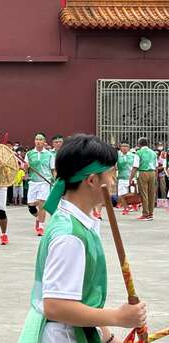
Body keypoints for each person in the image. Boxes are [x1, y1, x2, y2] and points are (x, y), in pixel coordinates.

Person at [18, 134, 146, 343]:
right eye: (111, 174)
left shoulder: (78, 224)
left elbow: (82, 297)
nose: (113, 181)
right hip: (64, 336)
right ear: (92, 180)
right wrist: (118, 316)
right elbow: (56, 306)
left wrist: (108, 336)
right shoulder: (69, 236)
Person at [25, 133, 55, 236]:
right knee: (31, 206)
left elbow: (52, 170)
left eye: (40, 139)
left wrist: (54, 180)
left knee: (42, 204)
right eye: (36, 139)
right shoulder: (29, 154)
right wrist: (26, 167)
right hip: (33, 182)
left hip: (44, 182)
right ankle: (38, 218)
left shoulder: (49, 155)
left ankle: (41, 227)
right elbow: (25, 170)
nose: (38, 141)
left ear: (44, 142)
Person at [129, 137, 158, 221]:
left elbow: (135, 166)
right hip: (152, 173)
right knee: (151, 194)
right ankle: (151, 213)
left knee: (144, 194)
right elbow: (156, 166)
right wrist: (155, 177)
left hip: (142, 172)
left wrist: (131, 178)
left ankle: (145, 214)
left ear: (139, 144)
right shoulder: (153, 153)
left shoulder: (138, 153)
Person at [117, 141, 136, 215]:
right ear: (120, 147)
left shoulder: (133, 156)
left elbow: (136, 166)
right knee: (121, 194)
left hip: (132, 177)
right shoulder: (117, 156)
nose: (124, 148)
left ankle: (133, 204)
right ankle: (126, 208)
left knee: (132, 193)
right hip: (122, 177)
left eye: (126, 146)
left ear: (129, 147)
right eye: (123, 146)